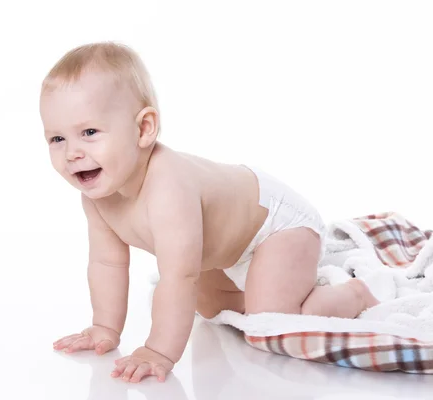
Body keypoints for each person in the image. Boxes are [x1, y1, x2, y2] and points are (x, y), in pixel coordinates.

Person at [41, 42, 379, 384]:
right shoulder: (97, 198)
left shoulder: (169, 187)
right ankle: (273, 282)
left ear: (143, 129)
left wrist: (159, 350)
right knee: (212, 310)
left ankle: (351, 293)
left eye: (89, 133)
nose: (72, 153)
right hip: (222, 248)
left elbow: (179, 277)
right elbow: (107, 264)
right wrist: (104, 328)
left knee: (269, 321)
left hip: (277, 225)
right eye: (56, 138)